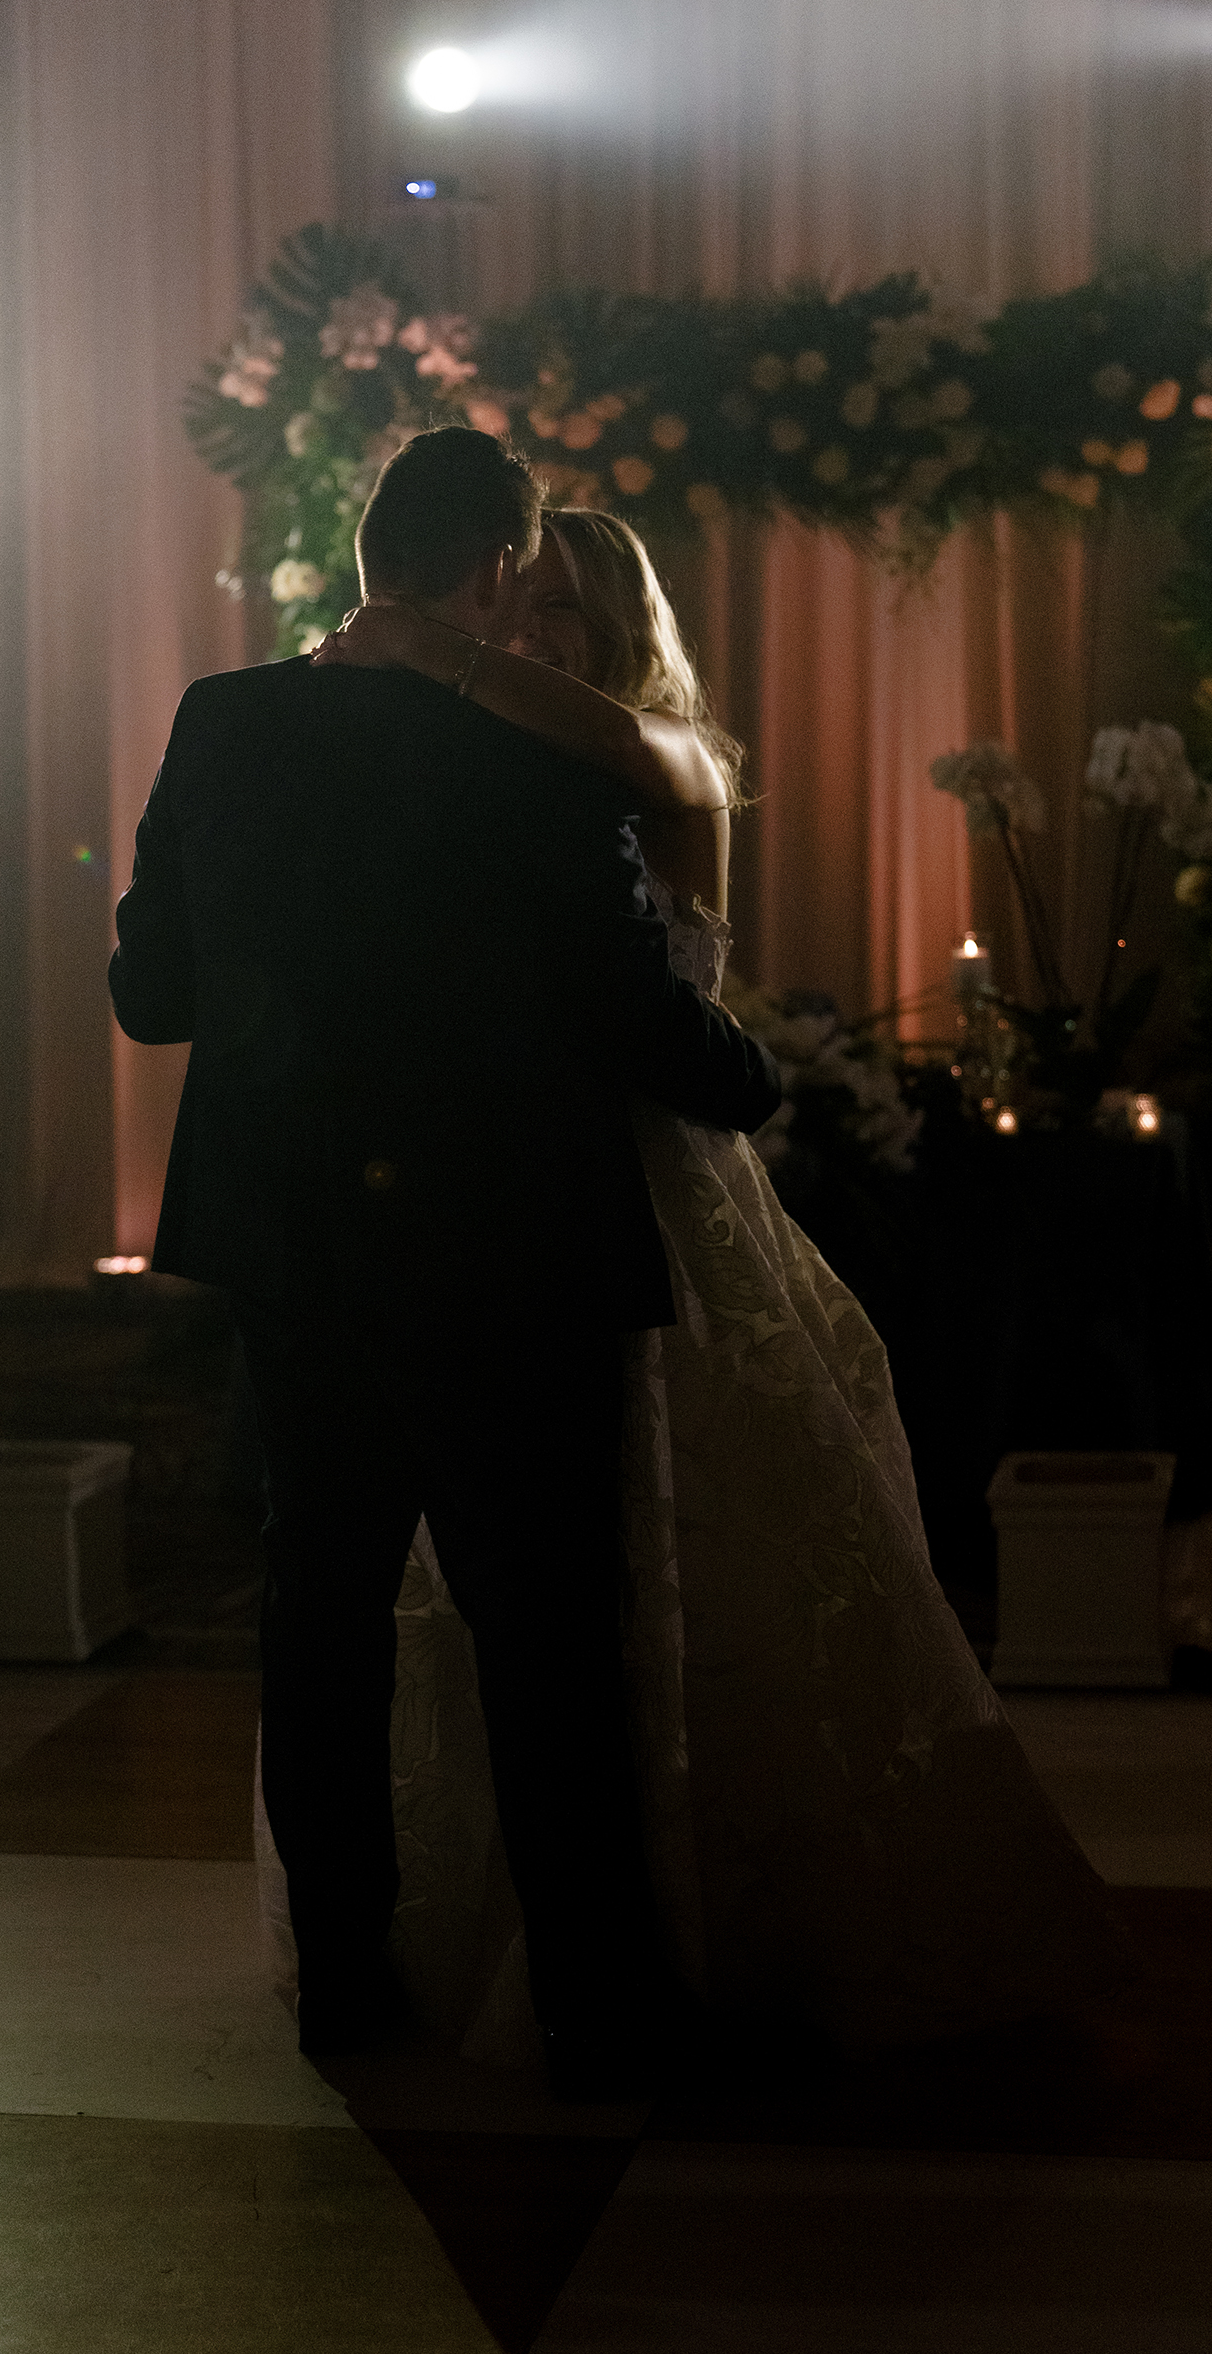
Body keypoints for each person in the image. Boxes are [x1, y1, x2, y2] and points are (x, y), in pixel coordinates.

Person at [306, 504, 1134, 2065]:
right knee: (520, 1572)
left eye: (562, 608)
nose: (533, 632)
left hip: (655, 1186)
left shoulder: (664, 759)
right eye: (517, 601)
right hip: (503, 1204)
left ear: (617, 625)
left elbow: (648, 927)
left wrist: (413, 645)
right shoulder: (486, 764)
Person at [108, 431, 783, 2099]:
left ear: (364, 557)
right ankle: (600, 2014)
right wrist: (764, 1082)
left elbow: (154, 998)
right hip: (511, 1247)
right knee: (548, 1629)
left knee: (320, 1600)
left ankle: (342, 1975)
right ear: (496, 568)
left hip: (298, 1240)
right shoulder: (539, 761)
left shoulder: (223, 720)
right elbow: (639, 1018)